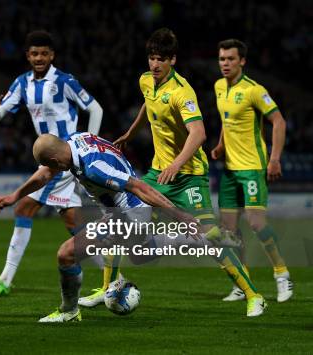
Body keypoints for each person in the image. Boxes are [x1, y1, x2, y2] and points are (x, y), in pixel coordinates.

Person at [112, 28, 266, 316]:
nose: (154, 65)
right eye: (151, 58)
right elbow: (148, 104)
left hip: (188, 176)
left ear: (173, 60)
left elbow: (199, 133)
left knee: (208, 238)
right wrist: (131, 133)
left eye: (161, 59)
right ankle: (108, 288)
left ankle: (253, 295)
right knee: (120, 224)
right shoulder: (147, 80)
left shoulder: (182, 92)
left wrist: (176, 164)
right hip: (158, 176)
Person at [0, 132, 208, 322]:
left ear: (55, 160)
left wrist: (181, 216)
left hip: (129, 216)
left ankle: (69, 312)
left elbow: (139, 187)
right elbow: (45, 174)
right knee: (142, 254)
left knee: (66, 254)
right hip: (123, 213)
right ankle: (207, 239)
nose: (52, 170)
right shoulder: (75, 140)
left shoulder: (93, 168)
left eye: (51, 165)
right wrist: (16, 196)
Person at [0, 30, 108, 299]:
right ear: (27, 56)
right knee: (74, 222)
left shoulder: (64, 80)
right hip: (52, 158)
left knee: (24, 206)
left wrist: (88, 144)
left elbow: (95, 109)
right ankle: (113, 282)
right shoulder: (22, 83)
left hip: (64, 156)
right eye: (34, 53)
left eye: (44, 53)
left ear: (52, 55)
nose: (39, 58)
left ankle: (4, 281)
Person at [211, 39, 292, 303]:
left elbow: (278, 121)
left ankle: (281, 274)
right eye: (222, 59)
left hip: (252, 169)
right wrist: (221, 144)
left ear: (242, 61)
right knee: (229, 231)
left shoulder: (254, 90)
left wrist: (275, 159)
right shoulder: (219, 87)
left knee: (256, 223)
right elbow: (226, 119)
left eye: (230, 59)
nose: (225, 64)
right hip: (230, 171)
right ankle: (241, 282)